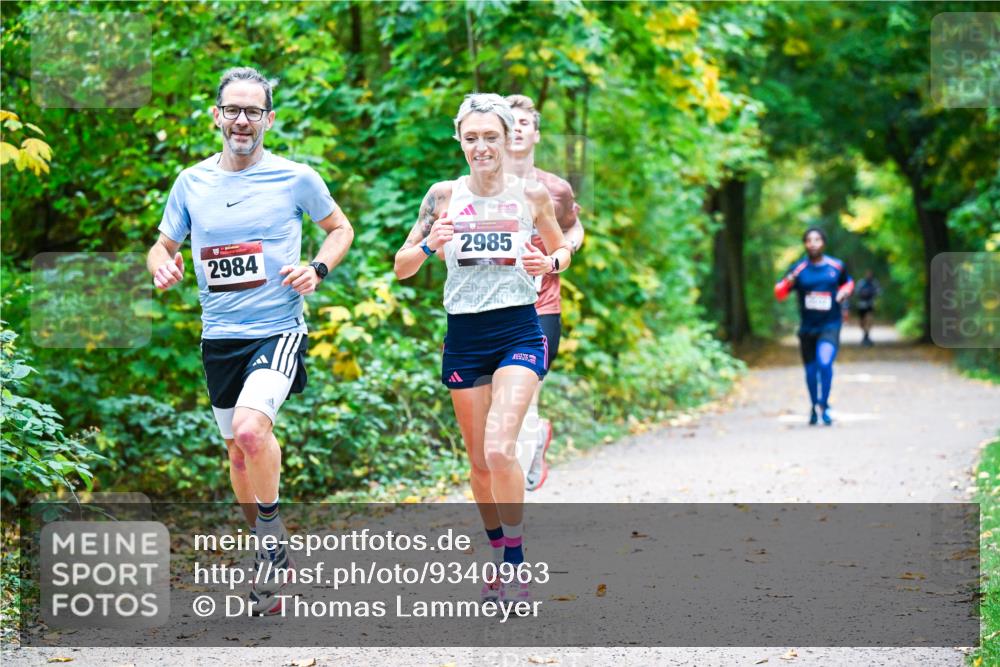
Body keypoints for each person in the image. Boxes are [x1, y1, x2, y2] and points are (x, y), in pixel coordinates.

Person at [147, 67, 354, 615]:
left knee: (250, 430)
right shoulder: (191, 182)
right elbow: (161, 246)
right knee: (238, 454)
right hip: (219, 336)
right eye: (233, 110)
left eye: (253, 111)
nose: (243, 120)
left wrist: (317, 269)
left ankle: (272, 543)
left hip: (277, 328)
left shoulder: (296, 177)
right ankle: (268, 550)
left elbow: (341, 229)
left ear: (269, 119)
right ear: (216, 115)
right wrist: (161, 267)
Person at [393, 93, 570, 605]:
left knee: (499, 448)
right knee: (477, 462)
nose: (481, 146)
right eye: (471, 137)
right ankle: (498, 552)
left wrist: (550, 265)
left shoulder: (531, 195)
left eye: (490, 136)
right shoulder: (442, 196)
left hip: (518, 329)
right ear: (460, 140)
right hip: (465, 337)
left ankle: (515, 563)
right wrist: (430, 244)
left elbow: (560, 247)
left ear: (508, 137)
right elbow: (402, 265)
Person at [503, 94, 585, 492]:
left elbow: (573, 228)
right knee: (497, 404)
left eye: (524, 123)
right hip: (493, 307)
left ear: (535, 133)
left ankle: (510, 511)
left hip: (541, 305)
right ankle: (535, 440)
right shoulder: (476, 187)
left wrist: (562, 253)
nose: (517, 128)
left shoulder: (555, 189)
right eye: (510, 122)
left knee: (524, 394)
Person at [774, 228, 853, 426]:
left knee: (825, 363)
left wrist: (843, 293)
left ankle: (824, 405)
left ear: (823, 243)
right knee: (810, 372)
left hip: (830, 324)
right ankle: (813, 406)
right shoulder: (799, 269)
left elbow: (848, 283)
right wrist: (787, 281)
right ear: (805, 244)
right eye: (809, 240)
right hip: (808, 328)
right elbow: (780, 293)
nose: (813, 243)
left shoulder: (836, 266)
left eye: (817, 239)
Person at [855, 270, 880, 346]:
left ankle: (867, 335)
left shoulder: (874, 283)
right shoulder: (861, 282)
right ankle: (865, 334)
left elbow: (879, 291)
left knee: (869, 319)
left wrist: (871, 293)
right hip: (862, 304)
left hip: (870, 304)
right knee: (862, 322)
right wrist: (863, 293)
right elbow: (856, 291)